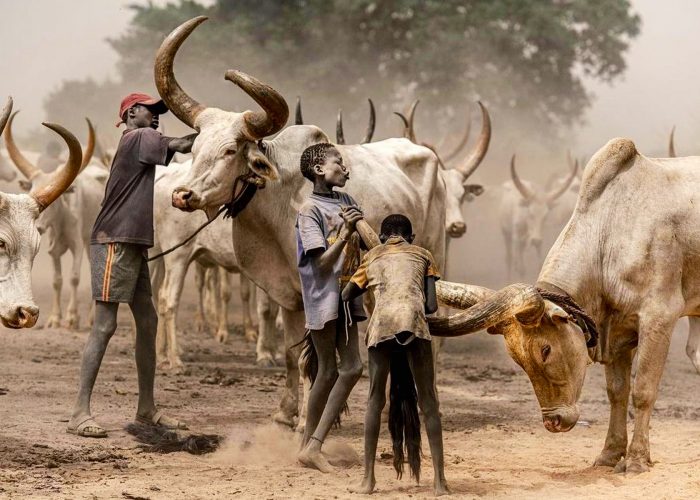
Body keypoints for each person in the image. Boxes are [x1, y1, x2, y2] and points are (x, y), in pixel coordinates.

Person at [67, 92, 197, 438]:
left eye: (157, 111)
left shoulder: (141, 141)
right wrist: (217, 130)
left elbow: (176, 148)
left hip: (133, 243)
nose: (155, 115)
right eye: (150, 110)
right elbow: (184, 144)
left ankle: (146, 409)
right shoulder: (138, 137)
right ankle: (79, 412)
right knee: (105, 324)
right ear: (131, 113)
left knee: (148, 320)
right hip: (114, 241)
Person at [342, 214, 450, 496]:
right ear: (410, 238)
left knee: (374, 401)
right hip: (414, 324)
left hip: (381, 328)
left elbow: (346, 294)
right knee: (428, 401)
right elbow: (431, 306)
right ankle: (440, 481)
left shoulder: (372, 256)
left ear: (381, 237)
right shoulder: (424, 254)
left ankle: (368, 479)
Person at [295, 142, 366, 472]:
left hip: (349, 295)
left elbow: (366, 243)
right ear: (319, 170)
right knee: (331, 370)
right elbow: (321, 265)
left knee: (345, 368)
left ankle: (311, 444)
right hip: (323, 297)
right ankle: (311, 444)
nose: (345, 168)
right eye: (338, 162)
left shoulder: (347, 201)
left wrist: (363, 231)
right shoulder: (309, 210)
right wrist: (348, 230)